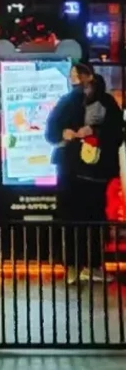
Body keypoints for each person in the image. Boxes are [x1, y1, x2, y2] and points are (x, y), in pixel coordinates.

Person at [46, 64, 124, 283]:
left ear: (89, 76)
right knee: (71, 216)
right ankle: (72, 264)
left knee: (95, 216)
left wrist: (95, 132)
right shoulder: (67, 102)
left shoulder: (106, 102)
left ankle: (93, 264)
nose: (75, 80)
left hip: (96, 170)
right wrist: (65, 133)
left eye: (77, 75)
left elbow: (117, 132)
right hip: (71, 168)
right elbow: (51, 131)